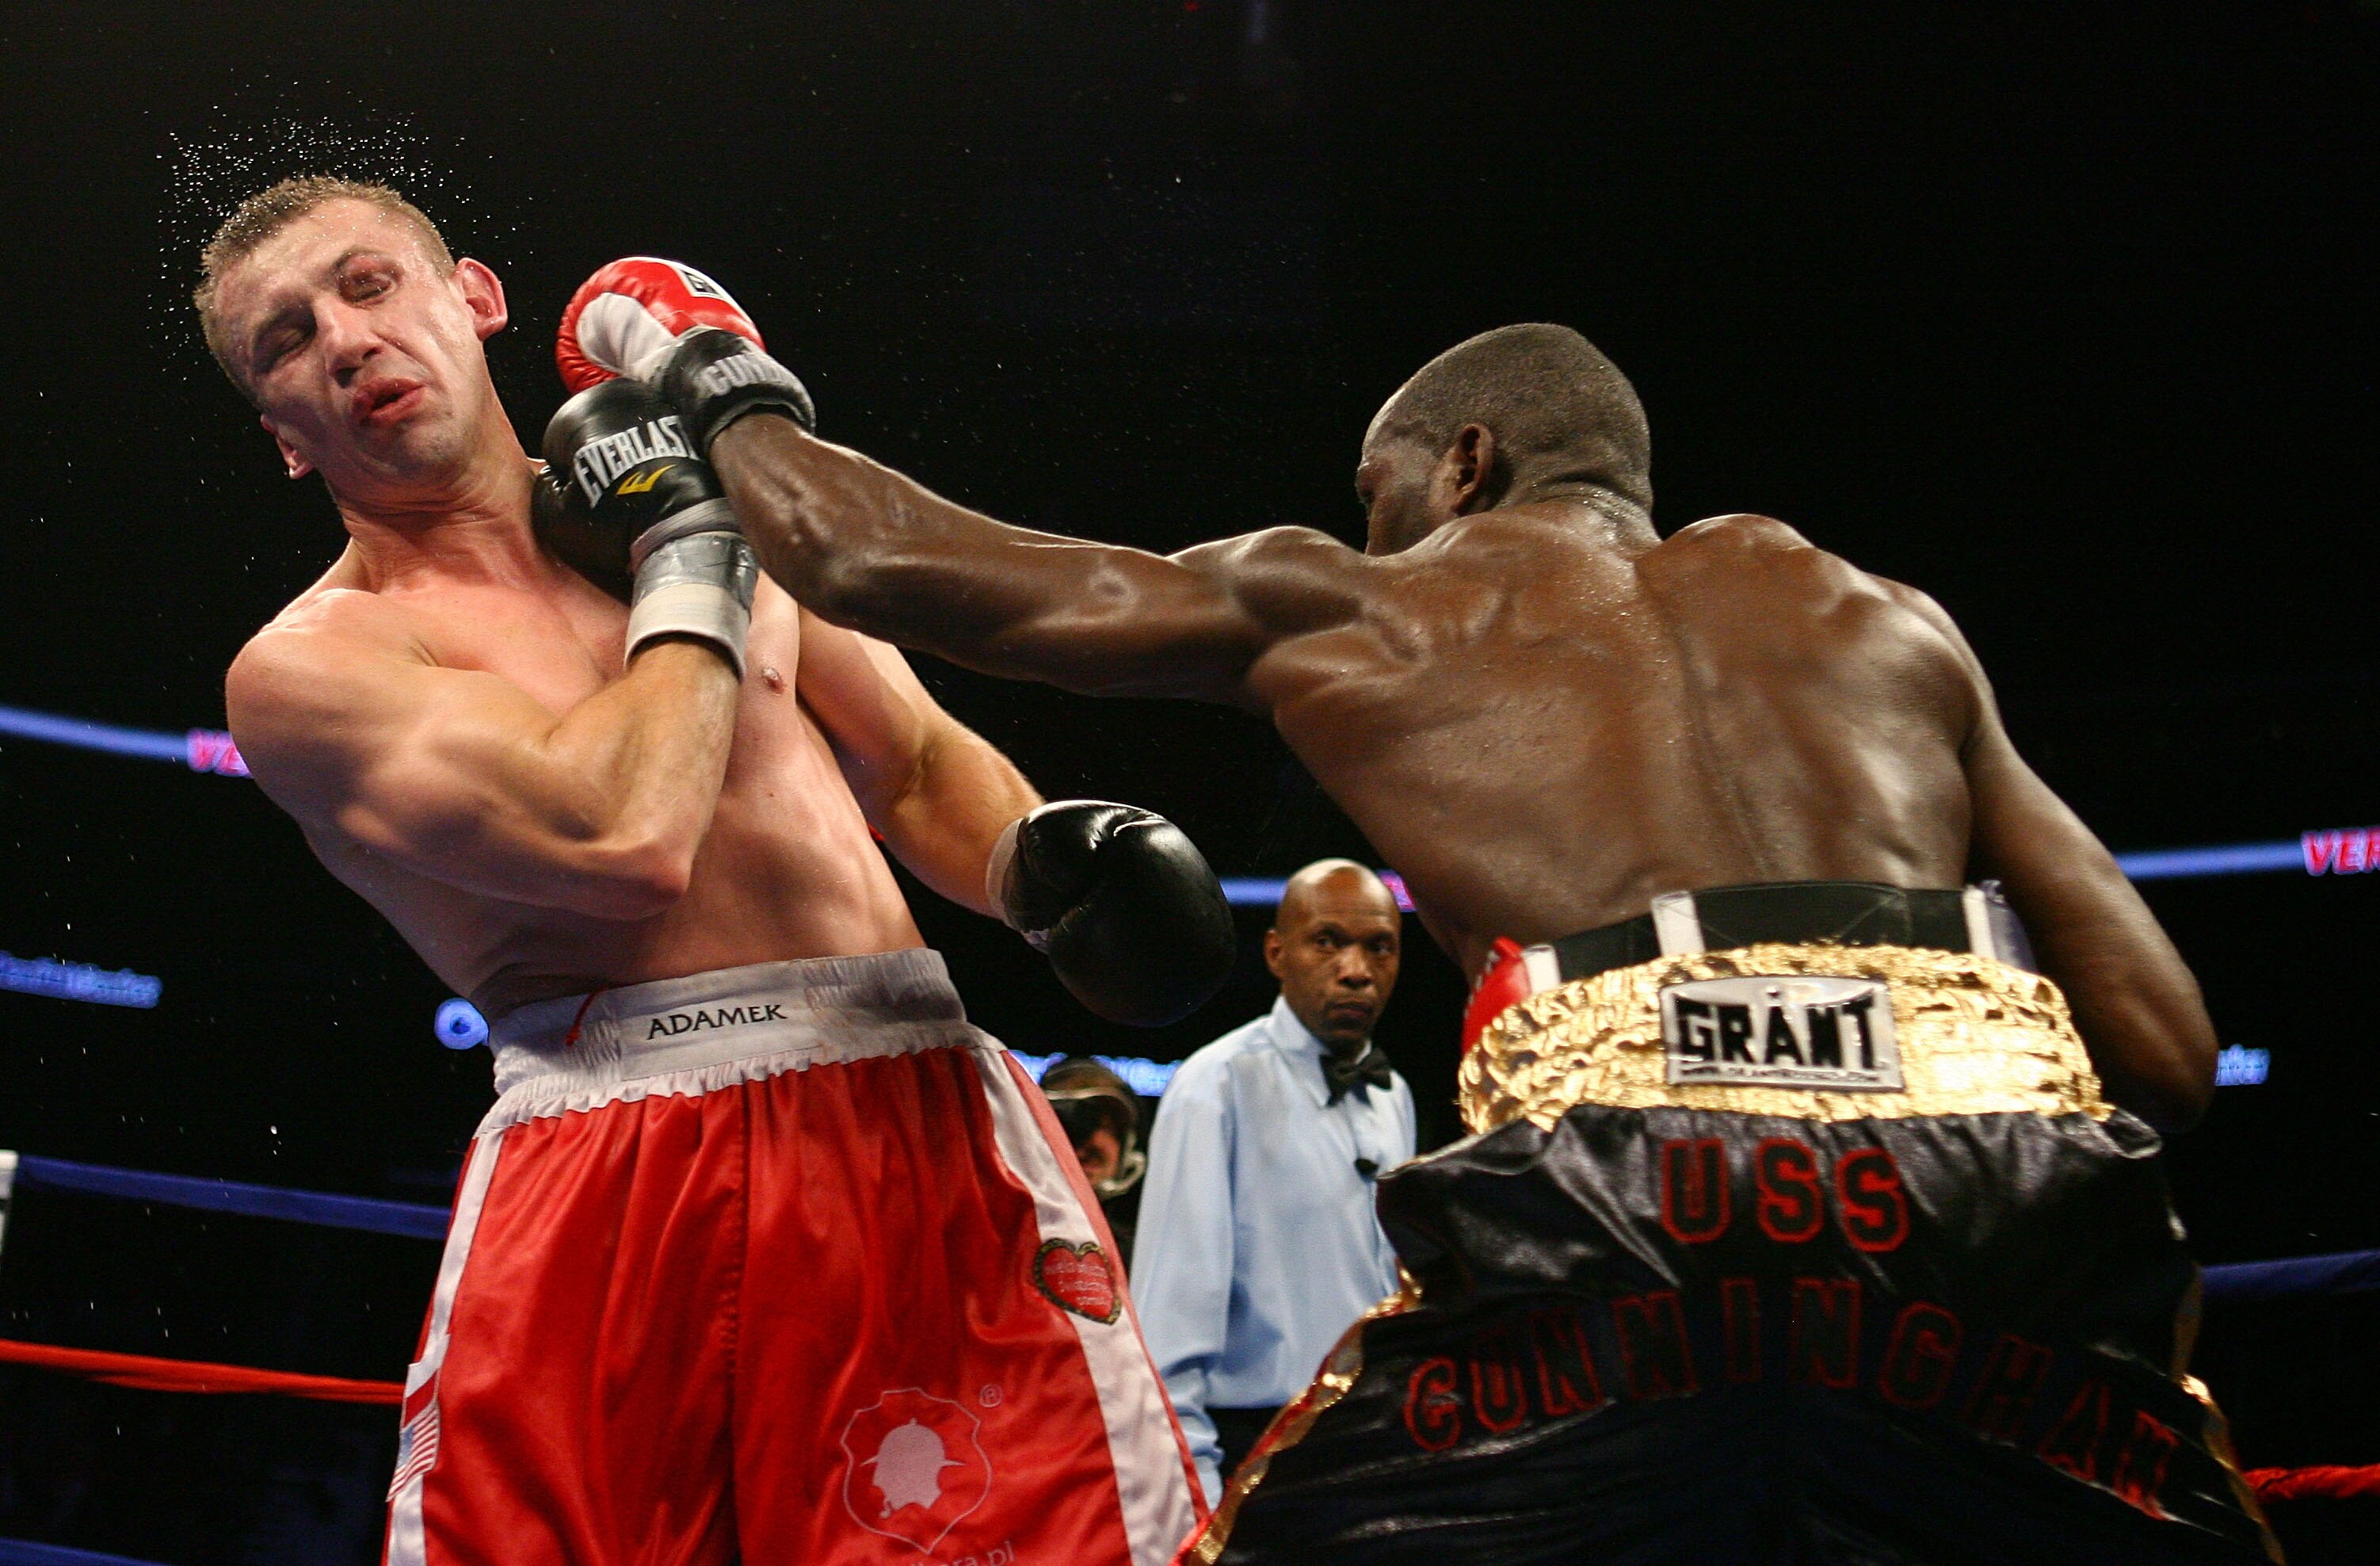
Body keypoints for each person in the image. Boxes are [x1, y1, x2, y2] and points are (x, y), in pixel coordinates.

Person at [559, 268, 2278, 1562]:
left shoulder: (1366, 600)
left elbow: (878, 566)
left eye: (1380, 489)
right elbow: (2166, 1054)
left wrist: (717, 375)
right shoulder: (1886, 622)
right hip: (1996, 1165)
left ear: (1461, 461)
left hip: (1637, 1180)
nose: (1370, 523)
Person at [201, 183, 1222, 1565]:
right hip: (612, 1164)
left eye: (371, 285)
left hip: (900, 1109)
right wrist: (691, 535)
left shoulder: (701, 513)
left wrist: (1032, 866)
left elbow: (911, 761)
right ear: (280, 437)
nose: (342, 338)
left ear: (474, 299)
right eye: (285, 339)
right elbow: (622, 835)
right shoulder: (313, 670)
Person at [1131, 860, 1415, 1507]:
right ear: (1276, 953)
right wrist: (1196, 1514)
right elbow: (1168, 1335)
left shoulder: (1393, 1096)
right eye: (1328, 941)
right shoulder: (1218, 1086)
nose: (1356, 970)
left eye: (1379, 947)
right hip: (1255, 1457)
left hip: (1372, 1454)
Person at [1039, 1056, 1150, 1266]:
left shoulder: (1148, 1256)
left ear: (1129, 1146)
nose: (1083, 1147)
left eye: (1104, 1125)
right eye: (1064, 1125)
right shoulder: (999, 1238)